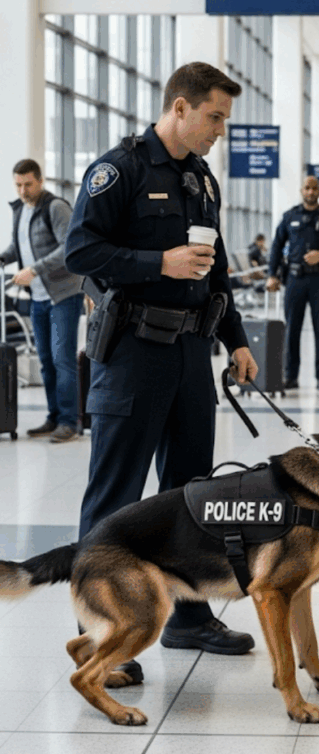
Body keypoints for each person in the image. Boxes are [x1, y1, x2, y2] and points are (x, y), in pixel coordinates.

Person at [65, 61, 259, 676]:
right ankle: (101, 633)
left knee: (191, 493)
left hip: (190, 355)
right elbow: (80, 250)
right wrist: (159, 262)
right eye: (214, 117)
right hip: (132, 355)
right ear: (180, 108)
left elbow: (216, 268)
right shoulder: (119, 169)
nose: (220, 130)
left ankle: (189, 619)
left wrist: (237, 340)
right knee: (115, 495)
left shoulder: (201, 178)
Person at [0, 159, 84, 442]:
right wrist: (4, 257)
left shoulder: (56, 207)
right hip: (38, 297)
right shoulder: (20, 210)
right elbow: (21, 245)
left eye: (28, 184)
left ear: (40, 180)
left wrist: (34, 270)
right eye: (18, 185)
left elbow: (68, 247)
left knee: (62, 359)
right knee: (46, 361)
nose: (23, 191)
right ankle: (54, 417)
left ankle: (69, 422)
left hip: (63, 295)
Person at [266, 175, 319, 390]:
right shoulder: (289, 216)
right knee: (292, 329)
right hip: (295, 280)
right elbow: (276, 247)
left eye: (314, 188)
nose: (311, 192)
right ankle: (290, 376)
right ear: (301, 190)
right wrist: (272, 274)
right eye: (307, 188)